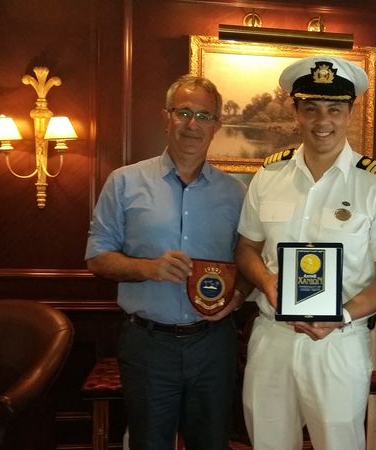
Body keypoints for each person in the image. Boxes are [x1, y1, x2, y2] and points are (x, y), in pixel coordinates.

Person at [235, 55, 376, 450]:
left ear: (350, 113)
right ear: (295, 112)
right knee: (268, 443)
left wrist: (342, 315)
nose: (323, 121)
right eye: (311, 108)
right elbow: (247, 248)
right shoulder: (269, 175)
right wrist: (266, 281)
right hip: (272, 338)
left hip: (339, 342)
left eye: (334, 109)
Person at [85, 74, 250, 450]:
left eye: (204, 116)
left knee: (212, 442)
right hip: (148, 344)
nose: (193, 124)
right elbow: (97, 257)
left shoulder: (236, 194)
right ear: (166, 118)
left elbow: (248, 261)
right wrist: (149, 268)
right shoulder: (124, 182)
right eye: (184, 112)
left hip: (213, 344)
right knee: (149, 442)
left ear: (217, 126)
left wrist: (239, 296)